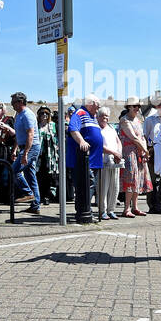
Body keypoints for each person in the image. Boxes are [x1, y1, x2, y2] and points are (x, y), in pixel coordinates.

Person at [67, 95, 104, 224]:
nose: (99, 107)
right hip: (84, 160)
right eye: (97, 104)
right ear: (90, 103)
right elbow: (73, 129)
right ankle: (84, 212)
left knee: (91, 185)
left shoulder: (92, 116)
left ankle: (85, 211)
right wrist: (82, 141)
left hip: (94, 159)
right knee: (87, 184)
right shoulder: (80, 112)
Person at [10, 91, 40, 214]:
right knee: (30, 176)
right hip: (25, 147)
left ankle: (28, 193)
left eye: (13, 102)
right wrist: (15, 150)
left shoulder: (27, 115)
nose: (12, 105)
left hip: (31, 147)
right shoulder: (18, 115)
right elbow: (19, 134)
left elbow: (30, 134)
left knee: (14, 170)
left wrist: (26, 153)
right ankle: (35, 206)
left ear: (20, 102)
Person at [119, 99, 148, 217]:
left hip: (138, 151)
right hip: (129, 151)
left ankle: (135, 207)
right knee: (130, 178)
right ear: (129, 107)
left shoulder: (137, 120)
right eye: (135, 106)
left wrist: (144, 152)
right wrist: (145, 150)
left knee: (138, 179)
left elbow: (142, 137)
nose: (137, 108)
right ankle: (126, 208)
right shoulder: (124, 120)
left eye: (139, 106)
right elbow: (133, 138)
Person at [97, 107, 123, 219]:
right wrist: (114, 152)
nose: (105, 118)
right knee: (104, 186)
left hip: (115, 160)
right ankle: (102, 210)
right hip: (103, 160)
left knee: (114, 186)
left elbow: (118, 141)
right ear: (98, 117)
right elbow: (99, 146)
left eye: (106, 116)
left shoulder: (111, 128)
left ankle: (111, 210)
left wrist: (119, 153)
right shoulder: (97, 128)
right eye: (102, 115)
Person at [37, 106, 59, 205]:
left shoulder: (54, 125)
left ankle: (48, 196)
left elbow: (59, 139)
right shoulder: (36, 126)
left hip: (51, 157)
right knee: (40, 176)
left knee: (50, 177)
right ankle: (40, 196)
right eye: (42, 113)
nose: (44, 115)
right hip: (39, 156)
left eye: (46, 113)